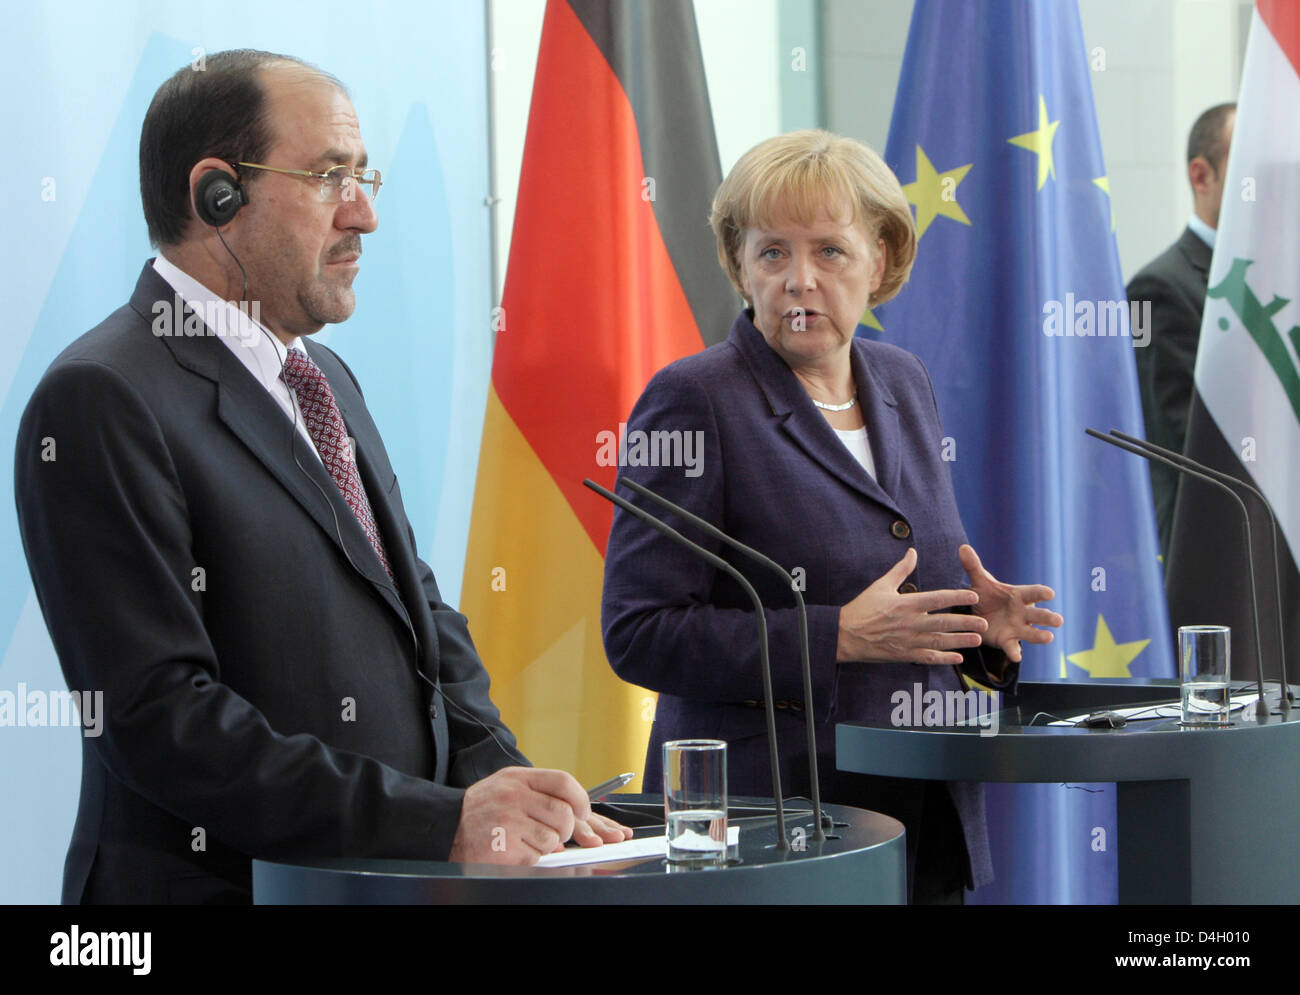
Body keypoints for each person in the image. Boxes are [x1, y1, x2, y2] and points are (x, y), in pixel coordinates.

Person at [14, 49, 628, 905]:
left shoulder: (325, 380)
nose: (366, 213)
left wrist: (516, 793)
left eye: (363, 174)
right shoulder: (104, 396)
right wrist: (436, 823)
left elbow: (421, 622)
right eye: (330, 176)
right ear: (216, 196)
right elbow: (161, 719)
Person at [601, 130, 1061, 903]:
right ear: (739, 264)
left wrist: (979, 633)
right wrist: (834, 635)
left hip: (923, 817)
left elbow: (904, 597)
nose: (797, 280)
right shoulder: (696, 399)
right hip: (775, 831)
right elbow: (638, 629)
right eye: (772, 252)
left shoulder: (902, 380)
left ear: (879, 260)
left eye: (829, 252)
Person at [1127, 102, 1235, 560]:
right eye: (1251, 167)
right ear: (1201, 176)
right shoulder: (1153, 290)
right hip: (1209, 554)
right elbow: (1187, 441)